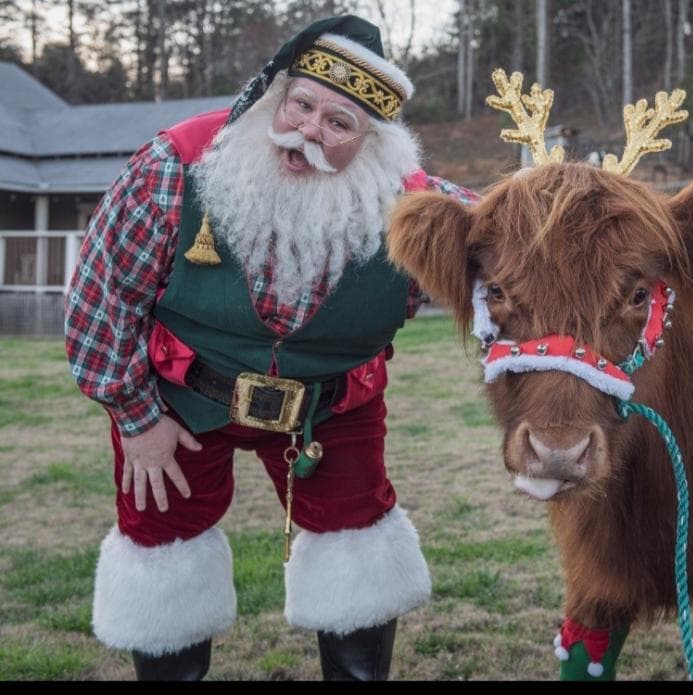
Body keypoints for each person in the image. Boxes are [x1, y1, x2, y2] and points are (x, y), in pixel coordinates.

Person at [64, 15, 478, 681]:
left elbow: (514, 248)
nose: (309, 131)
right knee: (161, 548)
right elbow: (100, 298)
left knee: (357, 550)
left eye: (340, 124)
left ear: (373, 147)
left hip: (333, 407)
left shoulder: (418, 213)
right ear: (275, 97)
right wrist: (137, 419)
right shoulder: (174, 169)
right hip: (182, 401)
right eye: (302, 104)